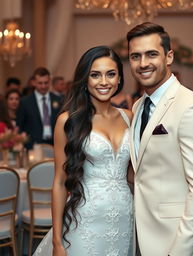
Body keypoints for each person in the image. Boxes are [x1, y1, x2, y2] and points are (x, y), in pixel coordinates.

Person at [127, 22, 193, 256]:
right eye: (135, 56)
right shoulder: (138, 106)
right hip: (141, 236)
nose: (143, 63)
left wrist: (179, 252)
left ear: (169, 57)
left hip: (176, 242)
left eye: (151, 54)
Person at [33, 46, 134, 255]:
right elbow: (60, 182)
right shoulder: (68, 121)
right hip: (84, 217)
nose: (104, 82)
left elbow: (133, 175)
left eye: (111, 74)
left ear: (120, 79)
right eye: (95, 75)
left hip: (124, 217)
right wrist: (57, 242)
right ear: (85, 80)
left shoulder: (128, 117)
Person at [17, 67, 62, 149]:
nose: (43, 86)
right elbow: (20, 126)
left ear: (50, 82)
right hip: (33, 146)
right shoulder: (25, 102)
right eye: (40, 83)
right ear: (34, 82)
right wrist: (26, 144)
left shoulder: (59, 100)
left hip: (55, 145)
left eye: (46, 83)